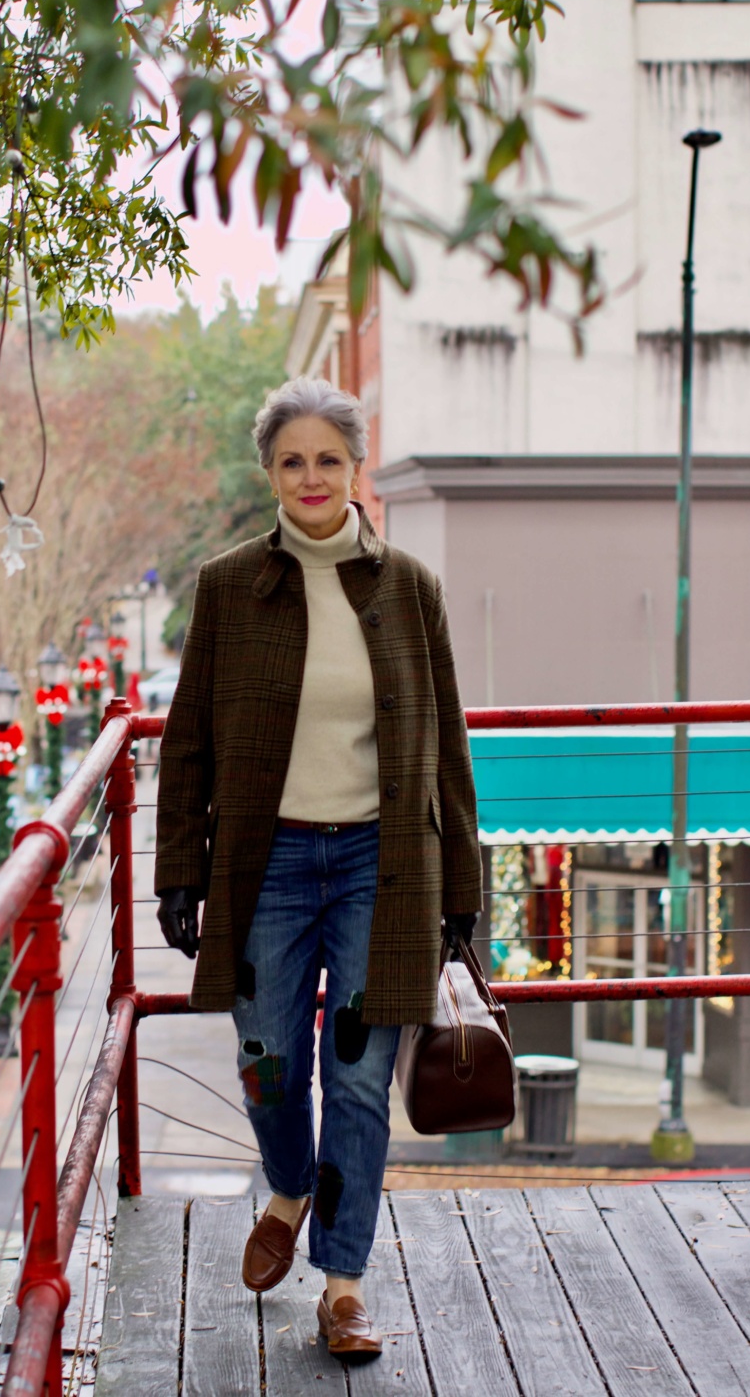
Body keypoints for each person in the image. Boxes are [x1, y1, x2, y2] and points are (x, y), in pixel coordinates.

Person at [154, 376, 481, 1362]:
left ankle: (343, 1284)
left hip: (385, 866)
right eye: (291, 460)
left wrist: (463, 893)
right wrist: (181, 871)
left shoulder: (410, 587)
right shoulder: (226, 587)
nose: (310, 476)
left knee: (358, 1082)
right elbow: (187, 742)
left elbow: (450, 747)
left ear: (356, 468)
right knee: (268, 1066)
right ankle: (291, 1187)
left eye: (327, 459)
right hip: (268, 865)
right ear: (269, 472)